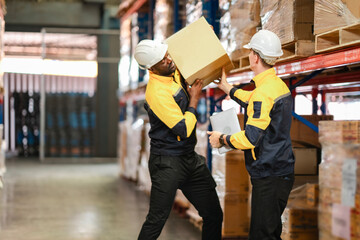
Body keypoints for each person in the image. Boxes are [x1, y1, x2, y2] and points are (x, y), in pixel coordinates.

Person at [208, 30, 295, 240]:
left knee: (262, 235)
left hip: (270, 174)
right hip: (278, 170)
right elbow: (253, 99)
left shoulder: (263, 93)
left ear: (255, 57)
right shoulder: (274, 86)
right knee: (269, 231)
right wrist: (227, 88)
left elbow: (249, 138)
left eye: (250, 53)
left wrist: (222, 139)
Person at [134, 39, 223, 240]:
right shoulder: (156, 93)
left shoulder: (170, 70)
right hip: (166, 163)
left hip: (188, 159)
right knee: (157, 219)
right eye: (162, 60)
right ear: (152, 68)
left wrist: (205, 40)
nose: (168, 59)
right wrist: (193, 100)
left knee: (214, 214)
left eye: (166, 55)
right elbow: (183, 129)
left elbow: (189, 53)